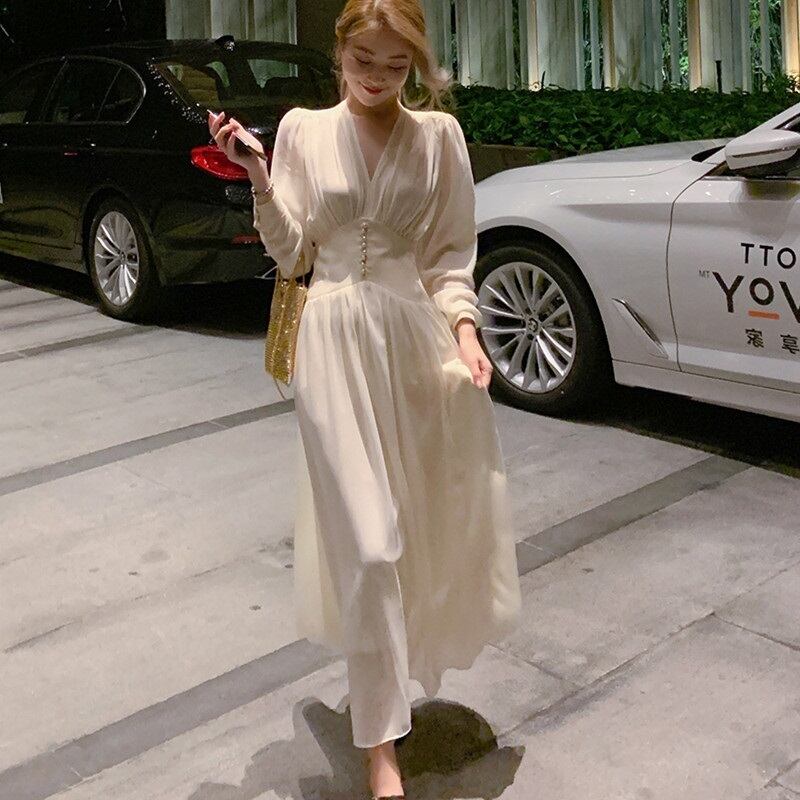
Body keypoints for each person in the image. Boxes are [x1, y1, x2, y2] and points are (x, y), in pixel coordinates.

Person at [209, 1, 522, 797]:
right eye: (363, 62)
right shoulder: (303, 131)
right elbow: (293, 253)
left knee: (420, 532)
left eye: (394, 66)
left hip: (416, 347)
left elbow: (450, 257)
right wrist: (258, 175)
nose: (377, 79)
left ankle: (390, 686)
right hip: (332, 343)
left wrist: (466, 331)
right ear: (339, 50)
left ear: (414, 64)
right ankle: (381, 749)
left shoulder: (438, 138)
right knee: (370, 543)